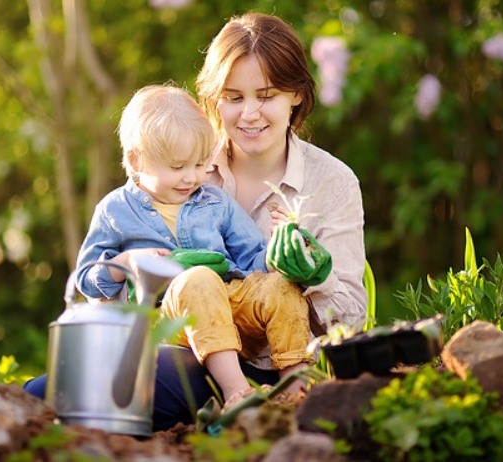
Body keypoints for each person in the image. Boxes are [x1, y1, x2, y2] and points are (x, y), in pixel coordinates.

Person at [24, 83, 323, 410]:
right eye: (178, 167)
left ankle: (296, 384)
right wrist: (125, 261)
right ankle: (236, 389)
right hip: (169, 321)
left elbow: (252, 259)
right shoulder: (115, 211)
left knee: (280, 286)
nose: (191, 178)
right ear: (137, 161)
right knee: (198, 279)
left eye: (199, 165)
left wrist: (283, 249)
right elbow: (87, 278)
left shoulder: (215, 202)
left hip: (229, 310)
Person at [150, 12, 367, 429]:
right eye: (233, 97)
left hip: (286, 368)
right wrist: (160, 273)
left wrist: (314, 279)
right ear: (214, 100)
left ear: (297, 95)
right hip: (195, 358)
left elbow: (351, 321)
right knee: (57, 390)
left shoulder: (333, 183)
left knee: (147, 390)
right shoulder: (183, 167)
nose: (249, 113)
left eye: (265, 95)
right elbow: (129, 282)